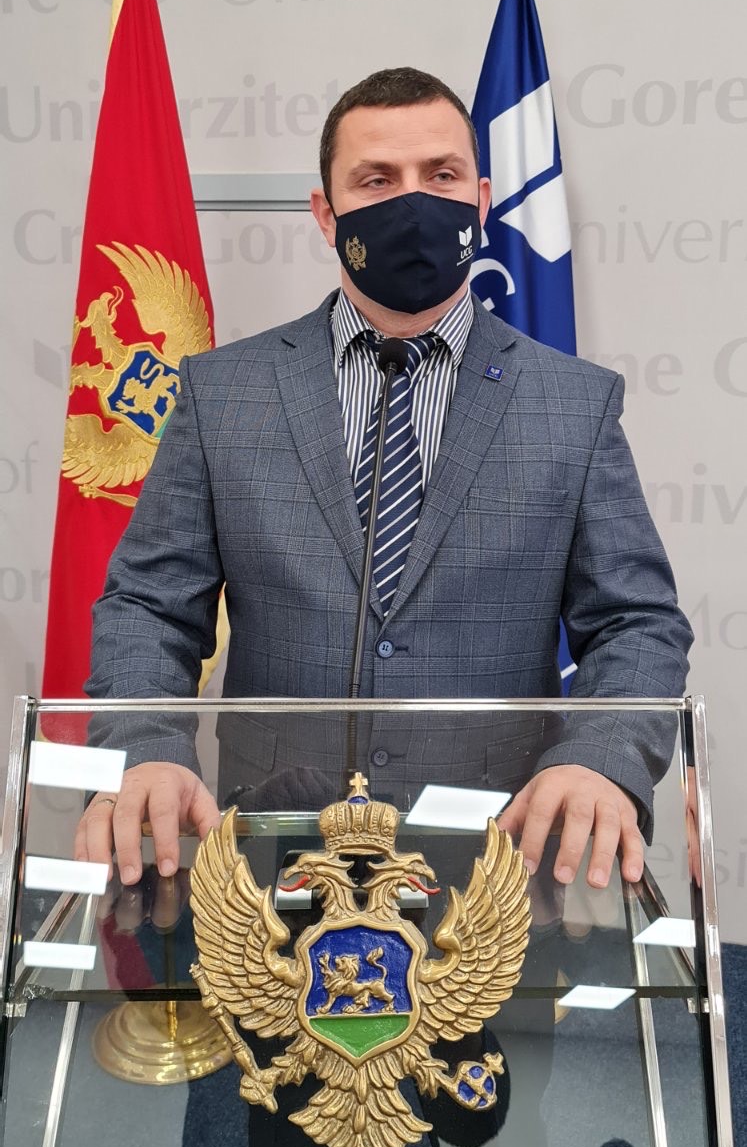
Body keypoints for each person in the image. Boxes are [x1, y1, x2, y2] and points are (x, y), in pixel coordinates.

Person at [75, 66, 692, 889]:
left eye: (440, 176)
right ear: (325, 213)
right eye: (376, 180)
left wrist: (600, 758)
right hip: (272, 854)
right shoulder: (223, 392)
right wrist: (144, 748)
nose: (413, 202)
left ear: (480, 200)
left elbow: (636, 623)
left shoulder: (573, 403)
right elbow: (149, 604)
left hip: (494, 864)